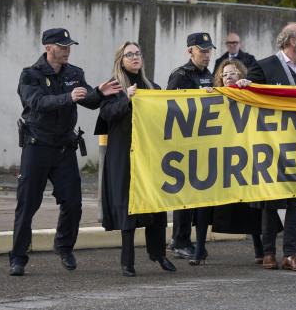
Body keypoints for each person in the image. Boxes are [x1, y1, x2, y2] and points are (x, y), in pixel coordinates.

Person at [9, 28, 122, 276]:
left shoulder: (74, 73)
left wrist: (100, 93)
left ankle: (63, 246)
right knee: (27, 204)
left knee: (73, 203)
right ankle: (18, 257)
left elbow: (88, 101)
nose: (67, 50)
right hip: (37, 146)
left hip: (63, 149)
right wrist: (67, 97)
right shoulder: (31, 75)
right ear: (48, 47)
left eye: (69, 46)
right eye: (62, 46)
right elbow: (36, 103)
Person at [96, 41, 176, 277]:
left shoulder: (153, 86)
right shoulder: (113, 87)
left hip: (150, 154)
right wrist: (126, 99)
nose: (135, 58)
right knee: (127, 205)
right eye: (129, 54)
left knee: (156, 203)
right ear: (120, 59)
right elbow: (107, 115)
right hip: (123, 154)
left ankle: (158, 254)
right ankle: (127, 261)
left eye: (138, 53)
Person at [247, 22, 296, 271]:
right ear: (291, 41)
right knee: (271, 199)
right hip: (271, 144)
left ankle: (290, 253)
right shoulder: (264, 66)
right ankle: (267, 253)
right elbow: (247, 93)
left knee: (295, 200)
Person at [204, 58, 268, 265]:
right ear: (219, 80)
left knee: (253, 207)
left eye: (233, 73)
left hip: (247, 156)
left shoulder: (250, 92)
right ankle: (198, 250)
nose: (229, 76)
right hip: (223, 156)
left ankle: (261, 249)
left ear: (241, 75)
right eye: (225, 74)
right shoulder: (214, 97)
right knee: (209, 206)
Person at [167, 32, 217, 259]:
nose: (207, 55)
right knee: (185, 196)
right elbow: (171, 108)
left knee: (200, 195)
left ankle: (195, 241)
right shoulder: (180, 76)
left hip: (204, 142)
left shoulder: (209, 75)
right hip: (185, 143)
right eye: (202, 51)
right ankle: (180, 240)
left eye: (208, 51)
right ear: (190, 51)